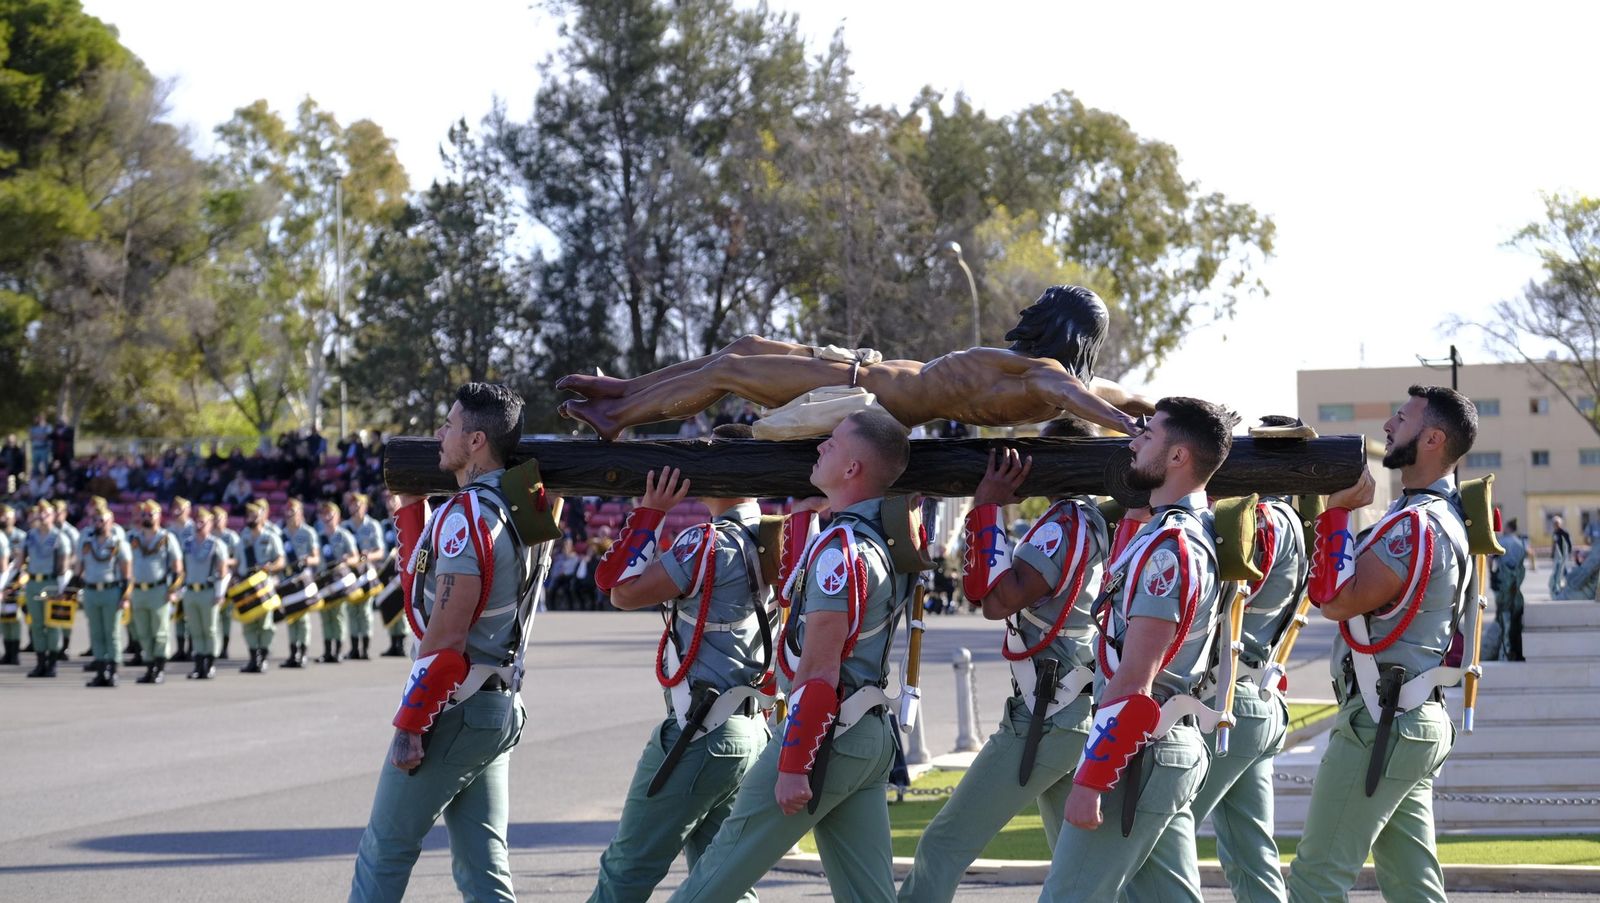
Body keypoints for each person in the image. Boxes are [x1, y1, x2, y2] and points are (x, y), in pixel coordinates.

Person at [666, 410, 915, 902]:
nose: (821, 446)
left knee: (709, 884)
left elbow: (819, 667)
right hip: (866, 736)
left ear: (852, 469)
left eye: (834, 441)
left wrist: (794, 763)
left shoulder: (841, 551)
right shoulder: (881, 539)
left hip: (825, 737)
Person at [899, 417, 1110, 903]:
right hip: (1068, 707)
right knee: (1074, 872)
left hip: (1047, 716)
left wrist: (986, 508)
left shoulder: (1063, 524)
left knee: (942, 845)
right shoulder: (1089, 518)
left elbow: (994, 600)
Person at [350, 383, 546, 901]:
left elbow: (445, 629)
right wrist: (413, 511)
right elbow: (427, 589)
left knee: (384, 851)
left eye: (450, 425)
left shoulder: (466, 514)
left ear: (476, 440)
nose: (440, 433)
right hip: (497, 702)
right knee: (482, 866)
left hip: (453, 707)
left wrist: (410, 723)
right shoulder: (521, 504)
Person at [1039, 397, 1235, 902]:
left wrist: (1091, 777)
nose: (1134, 442)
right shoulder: (1179, 531)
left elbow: (1136, 676)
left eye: (1148, 437)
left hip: (1138, 754)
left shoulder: (1170, 544)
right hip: (1159, 749)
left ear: (1178, 457)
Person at [1286, 386, 1478, 903]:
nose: (1390, 426)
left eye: (1402, 418)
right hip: (1409, 716)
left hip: (1384, 720)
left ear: (1433, 438)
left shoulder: (1413, 525)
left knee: (1314, 880)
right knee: (1412, 885)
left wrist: (1336, 514)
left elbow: (1338, 600)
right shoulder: (1433, 516)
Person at [558, 286, 1150, 441]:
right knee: (742, 346)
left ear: (1059, 321)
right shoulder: (1078, 378)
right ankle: (624, 391)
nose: (1031, 308)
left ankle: (622, 415)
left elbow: (1081, 400)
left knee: (727, 371)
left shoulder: (1048, 374)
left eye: (1044, 304)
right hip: (860, 368)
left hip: (860, 389)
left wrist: (1124, 428)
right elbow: (1131, 397)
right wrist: (1156, 413)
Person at [588, 472, 774, 902]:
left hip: (700, 733)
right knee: (724, 883)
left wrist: (652, 513)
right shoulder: (774, 536)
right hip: (750, 732)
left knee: (626, 872)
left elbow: (621, 590)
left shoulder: (708, 541)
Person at [1186, 424, 1309, 903]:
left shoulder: (1263, 520)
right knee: (1250, 856)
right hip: (1258, 695)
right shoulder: (1294, 518)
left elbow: (1214, 596)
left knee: (1156, 838)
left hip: (1228, 699)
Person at [128, 499, 183, 684]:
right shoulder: (133, 538)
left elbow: (178, 568)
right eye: (144, 514)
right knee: (142, 631)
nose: (147, 517)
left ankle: (158, 669)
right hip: (138, 591)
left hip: (159, 590)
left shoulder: (167, 538)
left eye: (151, 514)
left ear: (159, 516)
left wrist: (172, 590)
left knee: (159, 631)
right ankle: (149, 666)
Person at [78, 501, 132, 687]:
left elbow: (127, 574)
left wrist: (124, 597)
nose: (99, 523)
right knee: (96, 632)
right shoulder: (86, 543)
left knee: (112, 633)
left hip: (111, 591)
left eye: (102, 520)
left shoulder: (118, 544)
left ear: (111, 522)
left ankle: (114, 671)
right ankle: (100, 671)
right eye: (96, 520)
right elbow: (80, 568)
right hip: (92, 591)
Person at [22, 501, 72, 678]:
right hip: (33, 582)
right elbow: (22, 559)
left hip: (50, 582)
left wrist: (62, 588)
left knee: (52, 624)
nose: (42, 517)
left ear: (53, 516)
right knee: (36, 624)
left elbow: (63, 565)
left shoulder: (59, 537)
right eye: (40, 514)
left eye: (46, 514)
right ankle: (40, 662)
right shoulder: (30, 536)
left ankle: (52, 663)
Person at [181, 507, 232, 680]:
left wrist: (220, 593)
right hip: (191, 591)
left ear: (210, 524)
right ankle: (198, 665)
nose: (199, 525)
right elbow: (182, 570)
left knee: (209, 629)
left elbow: (223, 572)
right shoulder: (187, 543)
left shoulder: (217, 545)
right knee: (195, 629)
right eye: (197, 521)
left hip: (208, 591)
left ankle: (209, 664)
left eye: (203, 522)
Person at [238, 499, 286, 673]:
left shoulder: (271, 536)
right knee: (249, 623)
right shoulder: (243, 537)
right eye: (248, 515)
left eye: (254, 514)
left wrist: (271, 567)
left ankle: (263, 657)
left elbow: (281, 560)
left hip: (265, 584)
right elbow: (238, 562)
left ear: (261, 516)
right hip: (247, 584)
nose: (250, 518)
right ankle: (253, 658)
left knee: (265, 624)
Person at [280, 498, 322, 668]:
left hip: (303, 578)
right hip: (288, 579)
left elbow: (316, 557)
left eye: (293, 512)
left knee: (303, 617)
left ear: (300, 513)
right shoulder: (281, 534)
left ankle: (303, 653)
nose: (290, 515)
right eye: (288, 512)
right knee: (291, 616)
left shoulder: (308, 532)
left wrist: (306, 560)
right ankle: (293, 652)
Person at [317, 500, 359, 663]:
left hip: (338, 580)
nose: (326, 517)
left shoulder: (344, 535)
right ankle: (327, 651)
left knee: (338, 616)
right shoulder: (318, 537)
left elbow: (356, 557)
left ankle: (338, 650)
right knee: (325, 616)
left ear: (337, 516)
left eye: (330, 514)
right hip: (323, 580)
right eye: (323, 514)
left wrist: (347, 560)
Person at [346, 493, 386, 660]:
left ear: (365, 507)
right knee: (352, 610)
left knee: (365, 611)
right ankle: (354, 648)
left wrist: (367, 556)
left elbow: (380, 551)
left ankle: (365, 648)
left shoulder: (373, 526)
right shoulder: (345, 527)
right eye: (352, 505)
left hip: (367, 573)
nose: (355, 508)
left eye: (358, 505)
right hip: (350, 573)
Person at [167, 497, 197, 662]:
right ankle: (180, 648)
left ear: (188, 509)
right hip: (175, 577)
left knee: (190, 614)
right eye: (175, 507)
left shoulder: (194, 528)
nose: (176, 510)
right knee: (178, 614)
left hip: (191, 575)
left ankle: (192, 648)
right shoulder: (170, 530)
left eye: (180, 507)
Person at [1493, 517, 1528, 662]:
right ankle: (1515, 649)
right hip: (1516, 586)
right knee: (1515, 618)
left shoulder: (1502, 541)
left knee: (1502, 616)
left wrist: (1492, 576)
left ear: (1508, 528)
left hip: (1504, 583)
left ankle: (1505, 649)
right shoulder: (1521, 543)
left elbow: (1492, 559)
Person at [214, 506, 243, 660]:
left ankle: (224, 648)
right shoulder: (208, 536)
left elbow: (238, 559)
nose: (217, 521)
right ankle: (212, 647)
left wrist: (224, 562)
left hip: (226, 580)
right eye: (215, 518)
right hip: (211, 579)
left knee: (225, 615)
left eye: (220, 518)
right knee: (212, 616)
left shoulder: (231, 537)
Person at [0, 504, 25, 664]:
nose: (4, 519)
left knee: (14, 617)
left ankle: (14, 653)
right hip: (2, 579)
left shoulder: (21, 536)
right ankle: (7, 651)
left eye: (7, 516)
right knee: (3, 617)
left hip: (15, 581)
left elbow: (24, 561)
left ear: (14, 518)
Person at [1550, 515, 1573, 596]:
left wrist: (1569, 552)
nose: (1556, 525)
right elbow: (1554, 543)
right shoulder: (1555, 533)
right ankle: (1557, 587)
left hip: (1564, 554)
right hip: (1557, 555)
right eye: (1554, 523)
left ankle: (1569, 585)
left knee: (1565, 570)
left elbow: (1569, 544)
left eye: (1557, 523)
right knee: (1558, 571)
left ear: (1560, 523)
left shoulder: (1564, 533)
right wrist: (1552, 553)